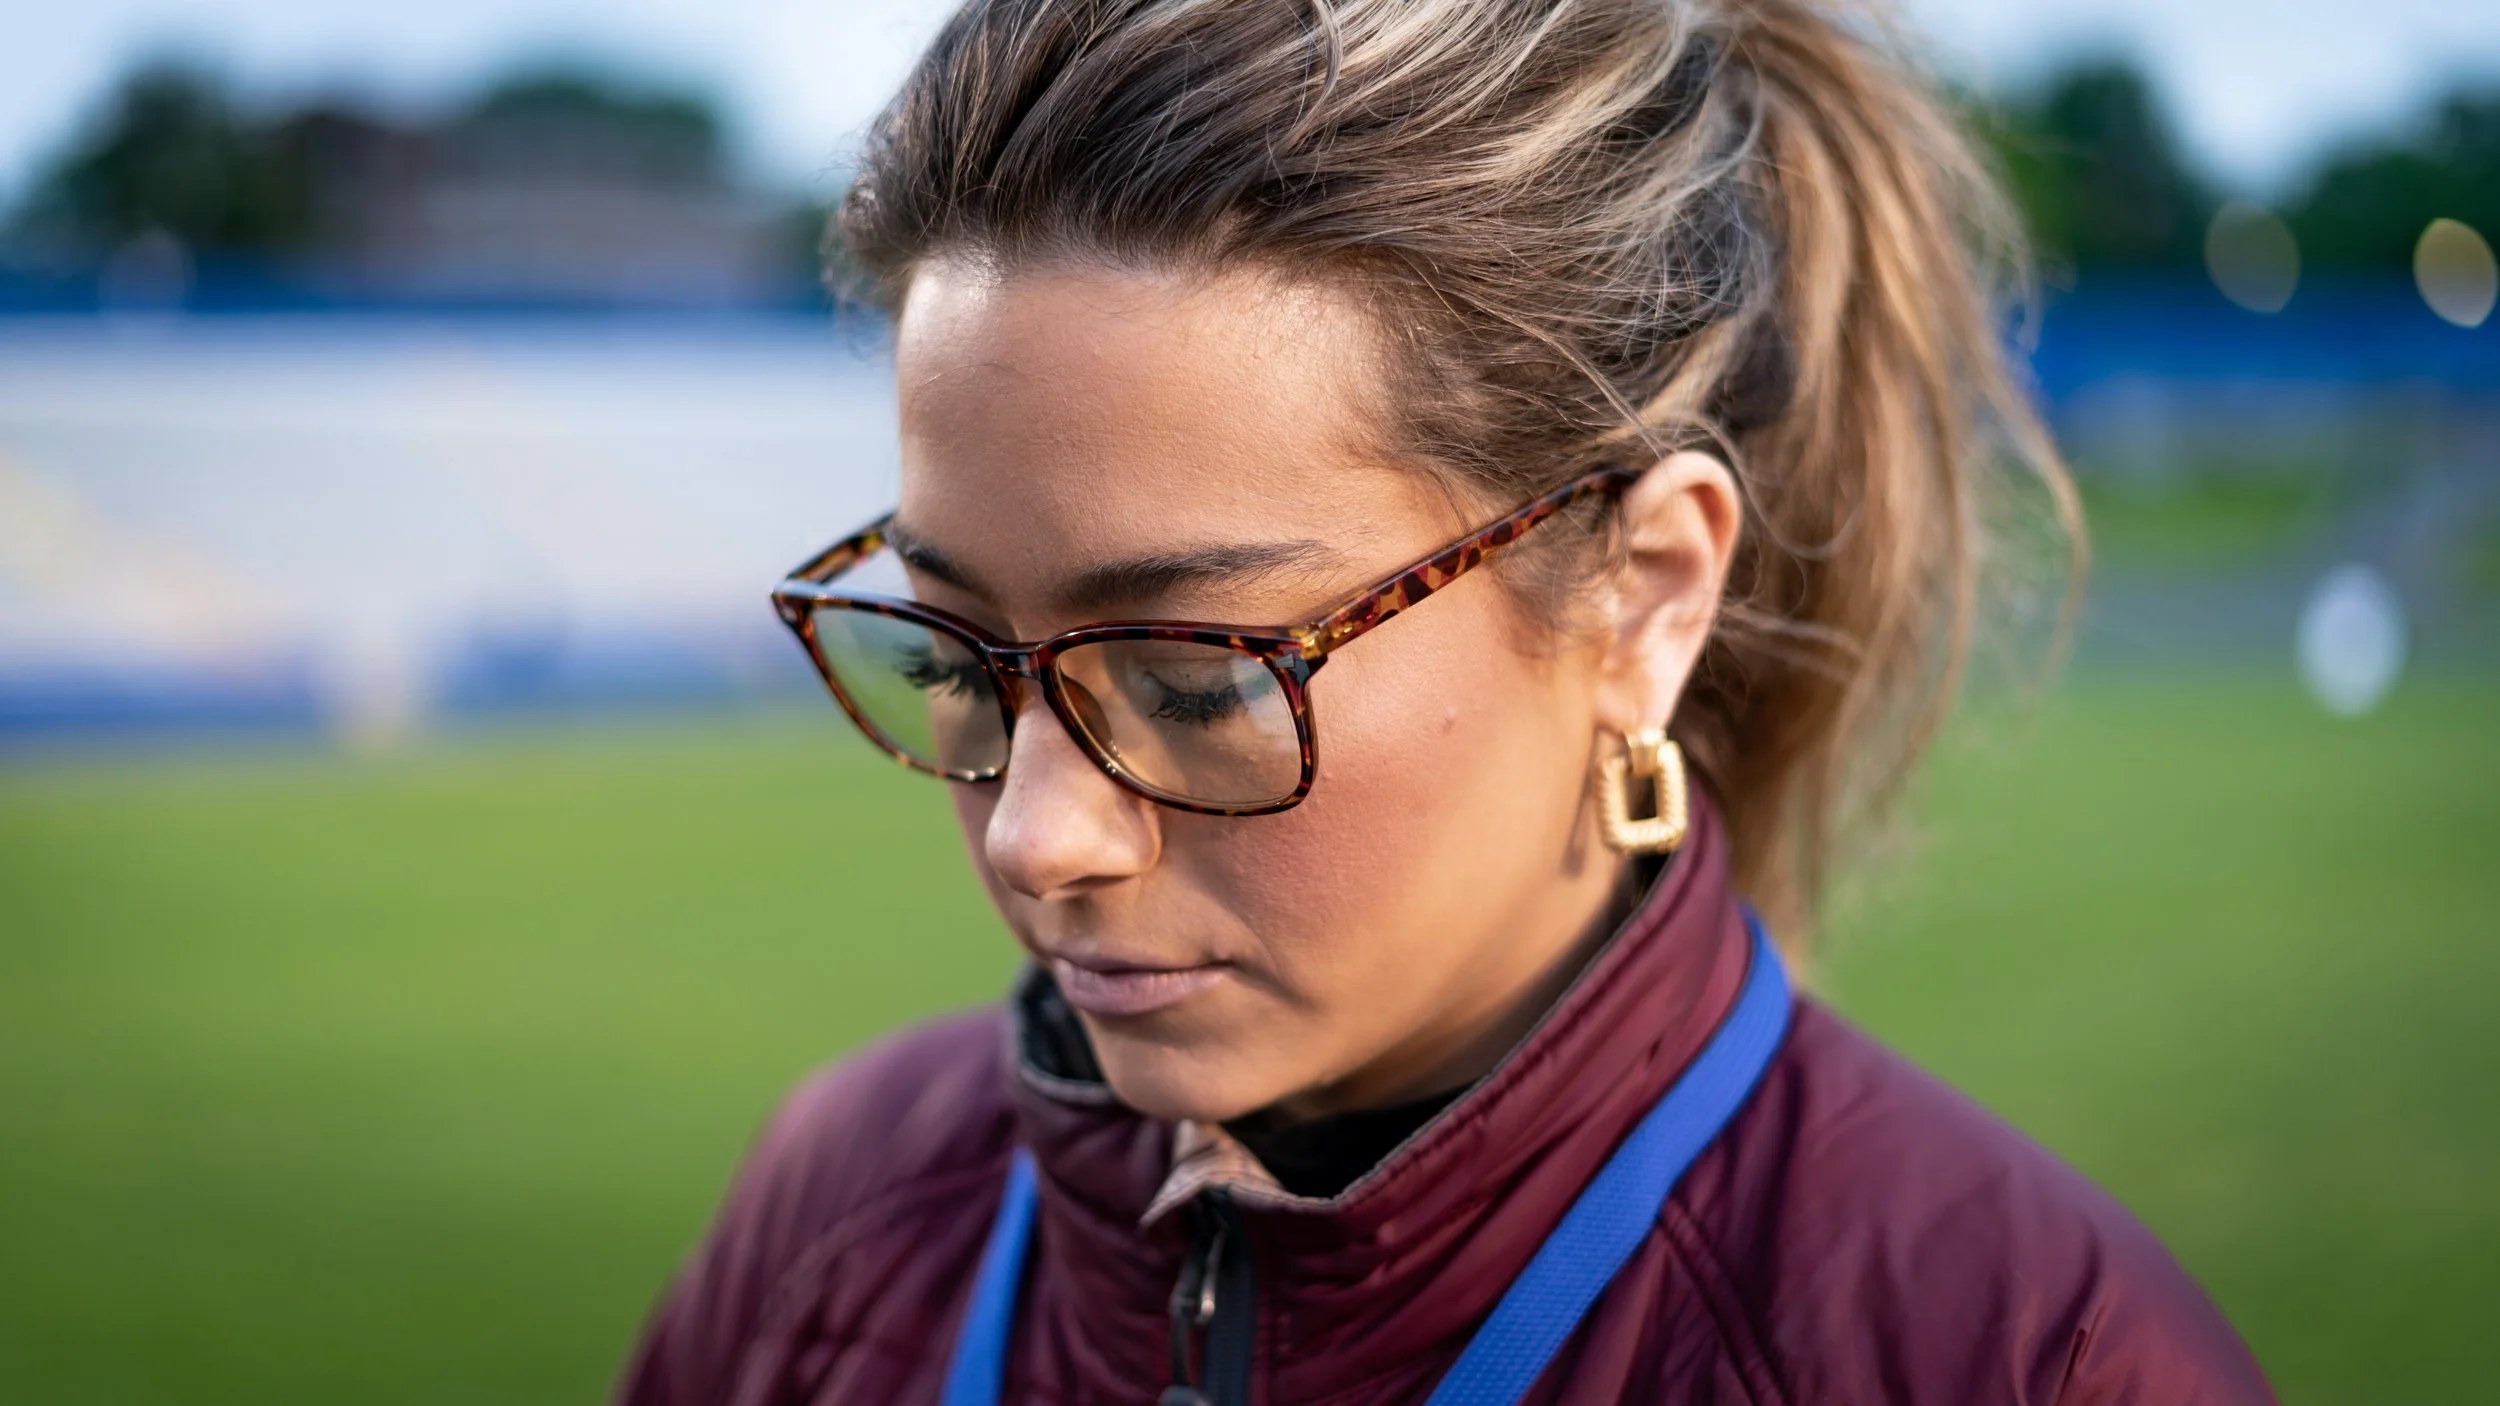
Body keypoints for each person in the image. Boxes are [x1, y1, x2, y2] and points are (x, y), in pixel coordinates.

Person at [620, 0, 2276, 1400]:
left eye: (1198, 679)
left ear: (1644, 596)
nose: (1038, 837)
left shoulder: (2021, 1353)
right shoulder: (839, 1217)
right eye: (951, 654)